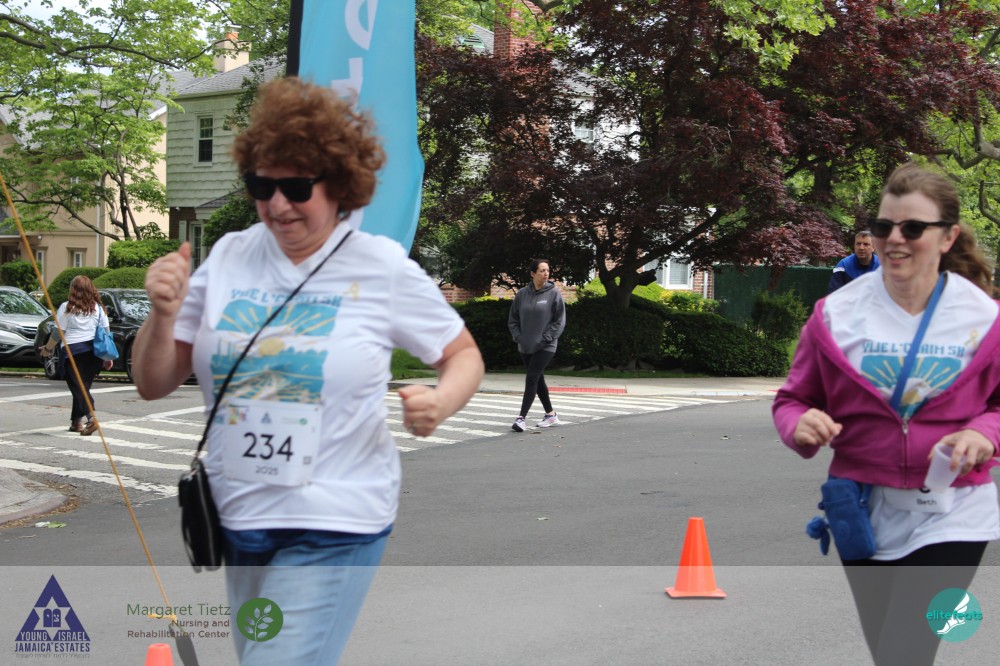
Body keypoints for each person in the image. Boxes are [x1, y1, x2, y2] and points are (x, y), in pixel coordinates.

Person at [131, 77, 484, 665]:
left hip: (335, 517)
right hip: (241, 515)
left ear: (339, 184)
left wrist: (442, 401)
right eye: (261, 186)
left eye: (296, 187)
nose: (277, 204)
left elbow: (462, 355)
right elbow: (153, 382)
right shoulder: (230, 256)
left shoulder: (379, 266)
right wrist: (163, 315)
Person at [773, 162, 999, 665]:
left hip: (957, 511)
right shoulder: (837, 314)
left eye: (912, 228)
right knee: (889, 653)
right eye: (883, 226)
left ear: (947, 237)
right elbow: (792, 400)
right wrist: (799, 425)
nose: (894, 239)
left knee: (906, 650)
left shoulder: (984, 318)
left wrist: (984, 433)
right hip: (863, 510)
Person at [40, 275, 114, 435]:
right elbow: (107, 333)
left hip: (73, 353)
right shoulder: (99, 308)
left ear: (73, 290)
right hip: (94, 354)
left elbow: (58, 333)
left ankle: (92, 419)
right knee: (81, 388)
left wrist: (47, 349)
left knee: (79, 388)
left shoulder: (66, 307)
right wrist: (107, 358)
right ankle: (76, 422)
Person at [508, 259, 566, 432]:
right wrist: (519, 337)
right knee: (538, 379)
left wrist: (546, 338)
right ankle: (550, 414)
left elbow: (559, 321)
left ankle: (521, 418)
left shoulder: (554, 293)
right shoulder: (522, 294)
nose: (546, 273)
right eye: (542, 270)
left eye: (547, 270)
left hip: (546, 345)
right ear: (532, 273)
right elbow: (513, 320)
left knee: (532, 377)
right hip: (525, 345)